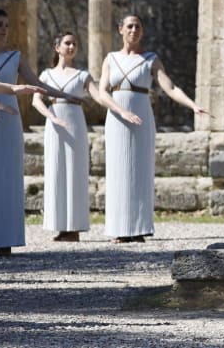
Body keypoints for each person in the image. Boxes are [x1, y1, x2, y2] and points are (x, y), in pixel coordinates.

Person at [100, 14, 208, 243]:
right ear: (120, 29)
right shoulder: (110, 58)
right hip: (117, 119)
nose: (134, 30)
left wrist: (193, 105)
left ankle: (138, 228)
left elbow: (170, 87)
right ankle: (119, 229)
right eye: (129, 26)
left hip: (141, 117)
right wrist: (121, 111)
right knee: (118, 171)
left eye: (138, 27)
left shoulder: (150, 59)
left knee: (140, 171)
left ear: (143, 31)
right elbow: (102, 92)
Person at [32, 32, 142, 241]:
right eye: (67, 43)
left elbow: (99, 96)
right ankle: (60, 226)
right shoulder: (46, 74)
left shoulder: (82, 74)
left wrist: (120, 109)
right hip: (54, 124)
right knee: (56, 172)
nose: (71, 47)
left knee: (75, 173)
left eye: (74, 43)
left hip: (75, 124)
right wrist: (51, 117)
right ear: (57, 48)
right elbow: (36, 100)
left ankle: (74, 228)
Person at [0, 8, 76, 255]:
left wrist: (63, 95)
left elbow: (37, 84)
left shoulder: (15, 57)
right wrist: (13, 90)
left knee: (7, 177)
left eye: (6, 25)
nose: (3, 29)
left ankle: (6, 238)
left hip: (9, 123)